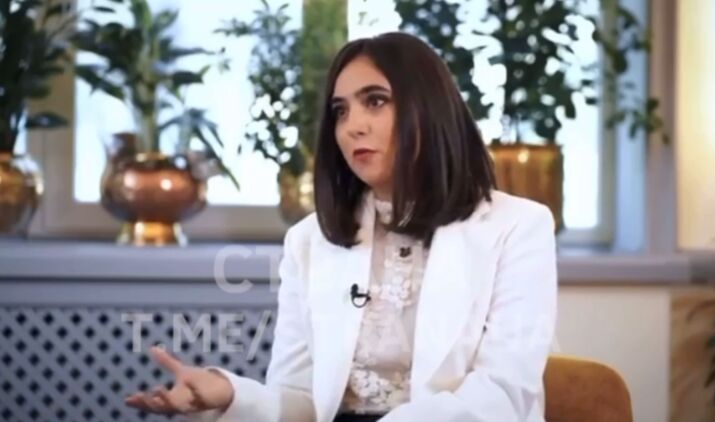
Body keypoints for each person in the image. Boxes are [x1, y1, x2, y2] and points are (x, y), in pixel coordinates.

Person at [125, 31, 558, 422]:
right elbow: (301, 399)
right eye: (340, 111)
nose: (353, 127)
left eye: (375, 101)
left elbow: (502, 394)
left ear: (429, 108)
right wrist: (230, 395)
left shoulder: (518, 227)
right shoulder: (308, 240)